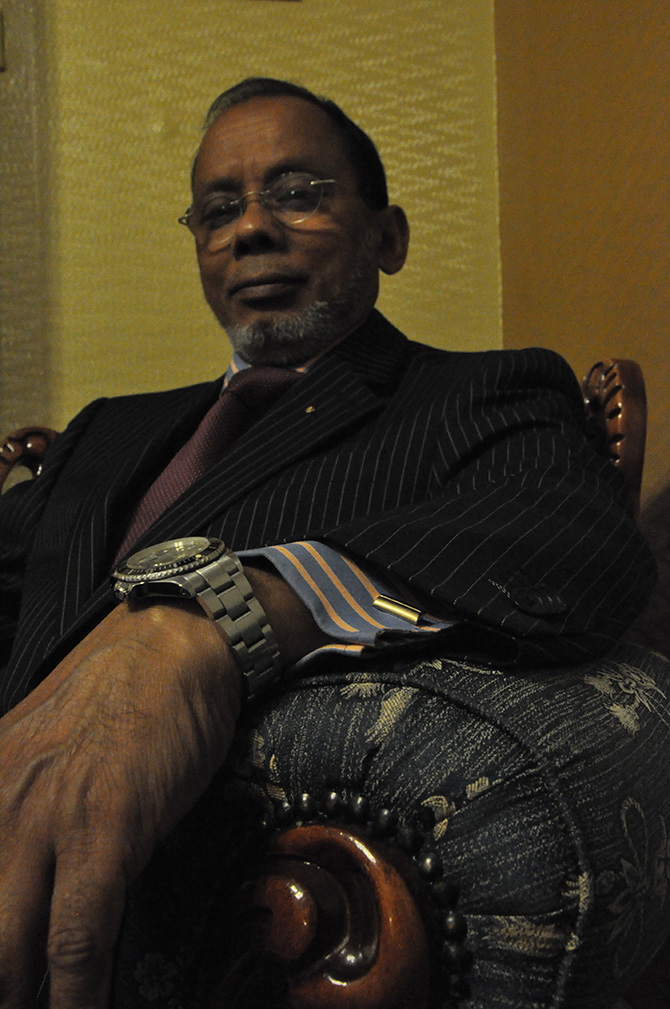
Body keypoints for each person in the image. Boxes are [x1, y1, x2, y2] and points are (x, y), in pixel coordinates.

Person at [0, 77, 656, 1007]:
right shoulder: (105, 432)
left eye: (298, 193)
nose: (249, 229)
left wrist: (220, 616)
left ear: (388, 238)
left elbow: (576, 539)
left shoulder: (478, 394)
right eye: (217, 209)